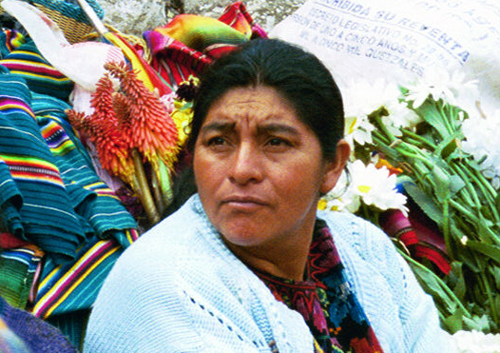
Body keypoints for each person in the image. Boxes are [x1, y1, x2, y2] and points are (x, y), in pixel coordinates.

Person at [83, 38, 454, 353]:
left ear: (332, 165)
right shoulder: (164, 287)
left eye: (275, 142)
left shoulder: (366, 249)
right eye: (219, 142)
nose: (242, 169)